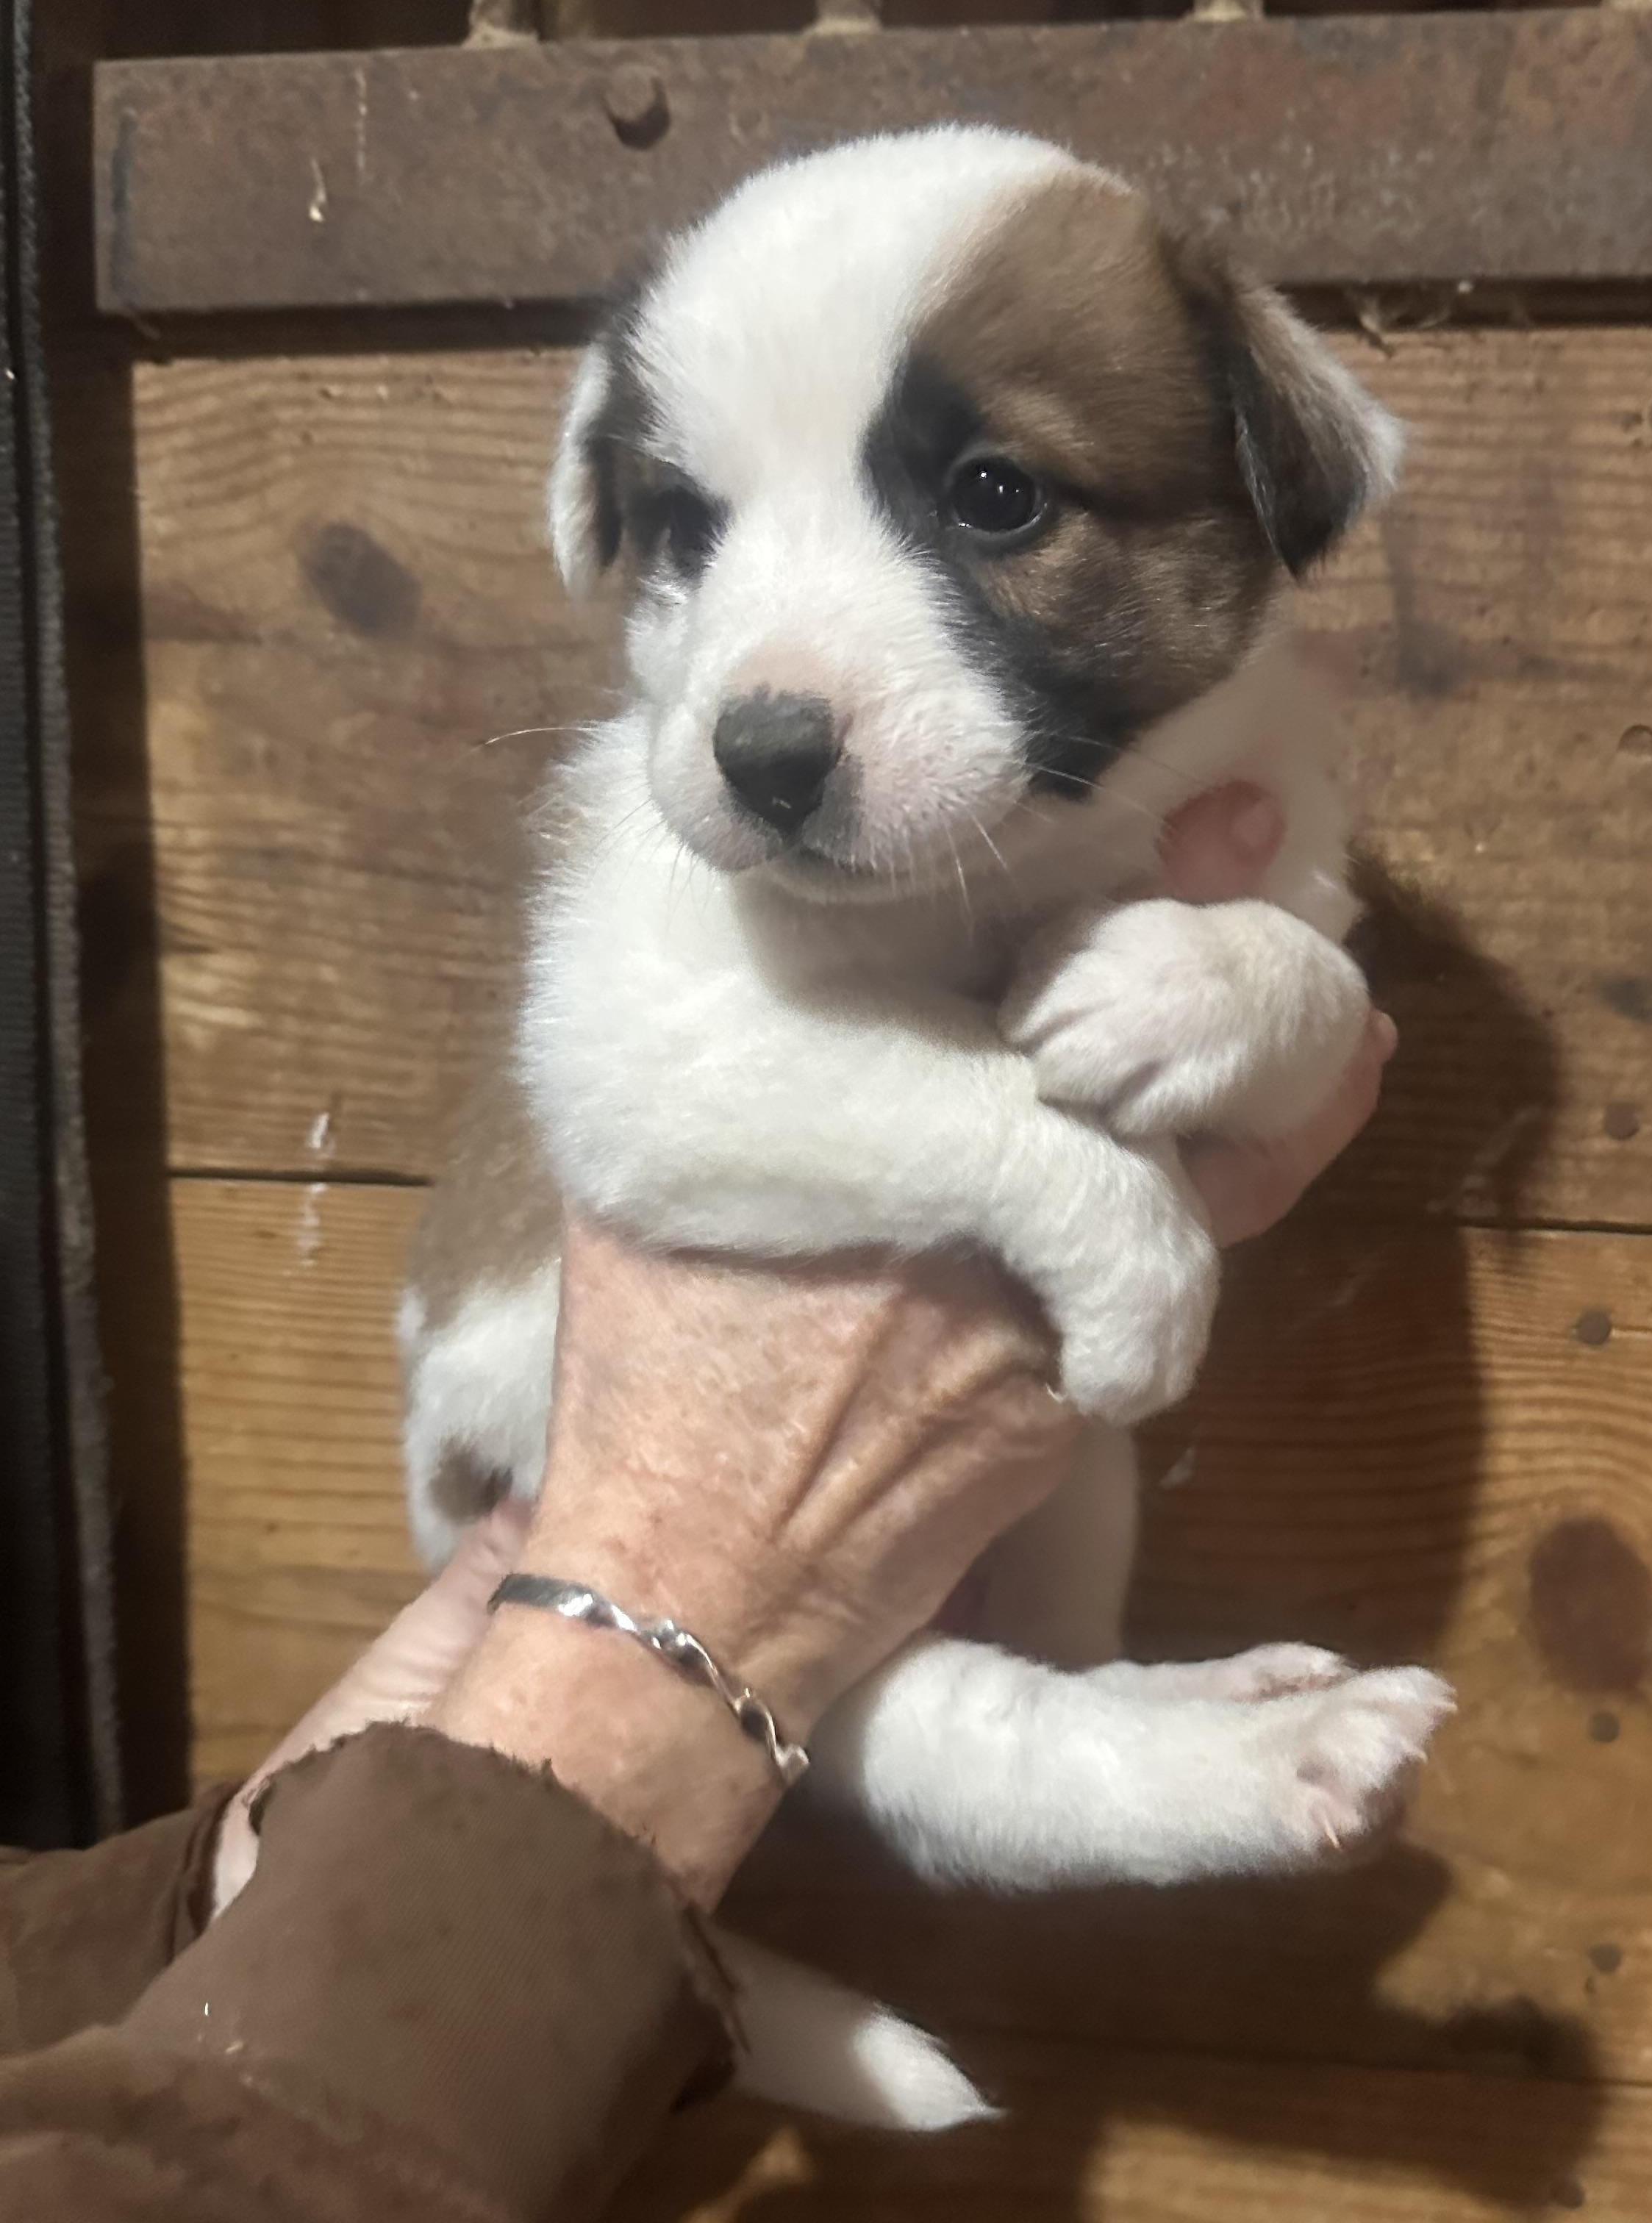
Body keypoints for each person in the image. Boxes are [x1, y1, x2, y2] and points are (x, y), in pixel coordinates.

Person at [0, 784, 1395, 2222]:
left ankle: (1081, 1699)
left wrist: (234, 1886)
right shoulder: (715, 834)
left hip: (268, 1897)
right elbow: (665, 1108)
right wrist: (651, 1622)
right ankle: (1083, 1758)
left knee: (1025, 1461)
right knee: (901, 1607)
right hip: (543, 1379)